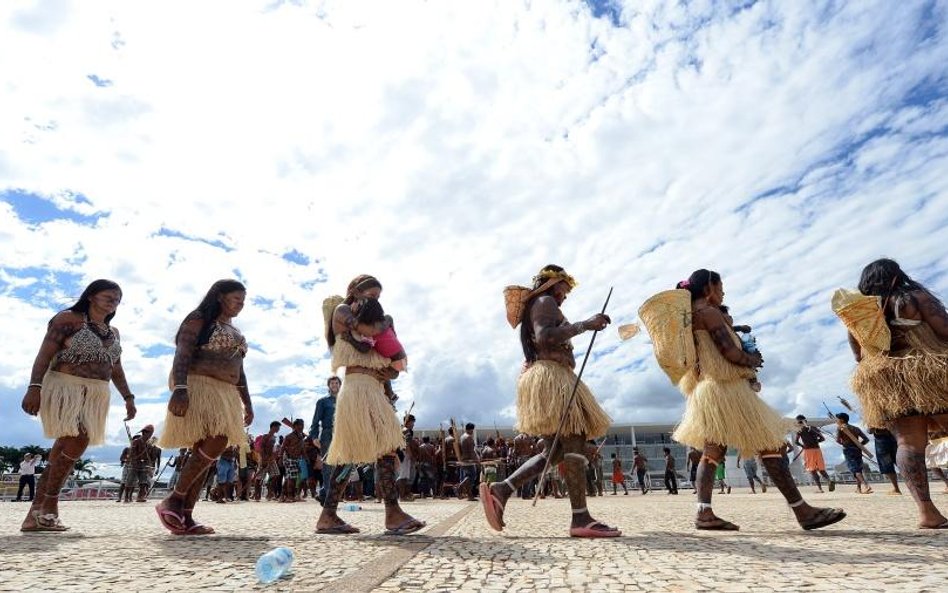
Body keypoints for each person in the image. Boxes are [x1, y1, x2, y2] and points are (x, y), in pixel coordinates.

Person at [669, 269, 845, 531]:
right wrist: (751, 360)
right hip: (727, 389)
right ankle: (802, 511)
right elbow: (727, 350)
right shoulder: (709, 312)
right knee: (770, 443)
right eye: (720, 286)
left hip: (706, 390)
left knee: (711, 453)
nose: (723, 292)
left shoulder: (688, 319)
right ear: (708, 288)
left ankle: (704, 513)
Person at [481, 265, 619, 537]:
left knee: (554, 451)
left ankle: (502, 489)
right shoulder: (544, 302)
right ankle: (580, 518)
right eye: (564, 289)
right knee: (575, 437)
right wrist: (585, 325)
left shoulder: (540, 304)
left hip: (547, 376)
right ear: (554, 283)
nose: (565, 295)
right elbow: (545, 337)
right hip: (552, 376)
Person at [20, 279, 137, 532]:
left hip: (97, 393)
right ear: (91, 296)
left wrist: (128, 397)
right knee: (79, 438)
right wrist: (34, 387)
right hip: (65, 386)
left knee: (64, 447)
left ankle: (35, 514)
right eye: (108, 295)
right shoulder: (67, 319)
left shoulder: (112, 332)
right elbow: (44, 355)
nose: (113, 301)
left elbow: (115, 367)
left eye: (117, 298)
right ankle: (50, 506)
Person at [315, 275, 425, 535]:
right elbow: (368, 335)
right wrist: (386, 323)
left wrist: (388, 372)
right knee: (376, 448)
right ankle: (392, 513)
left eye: (378, 297)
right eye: (371, 295)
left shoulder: (376, 320)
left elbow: (394, 367)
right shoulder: (343, 311)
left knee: (354, 454)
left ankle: (329, 516)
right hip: (356, 388)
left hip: (374, 389)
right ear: (354, 290)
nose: (375, 300)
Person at [846, 259, 948, 528]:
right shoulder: (913, 297)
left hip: (888, 381)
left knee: (908, 443)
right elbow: (945, 329)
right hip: (929, 372)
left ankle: (927, 513)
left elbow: (859, 356)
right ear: (895, 276)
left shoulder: (860, 316)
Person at [155, 279, 254, 535]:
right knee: (216, 441)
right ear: (220, 296)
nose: (240, 306)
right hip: (199, 385)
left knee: (206, 452)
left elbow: (239, 371)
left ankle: (186, 515)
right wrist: (179, 388)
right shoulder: (200, 318)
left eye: (243, 302)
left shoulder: (233, 329)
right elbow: (183, 352)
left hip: (226, 392)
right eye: (236, 300)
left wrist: (248, 403)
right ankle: (174, 499)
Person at [310, 376, 341, 503]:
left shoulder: (345, 401)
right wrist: (314, 436)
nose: (334, 385)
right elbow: (316, 420)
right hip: (327, 433)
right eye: (332, 383)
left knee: (339, 466)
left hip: (342, 434)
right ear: (329, 386)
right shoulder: (323, 401)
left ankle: (323, 492)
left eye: (337, 383)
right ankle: (329, 496)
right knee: (328, 465)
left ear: (340, 385)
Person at [794, 415, 835, 493]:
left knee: (812, 470)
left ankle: (820, 489)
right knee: (821, 468)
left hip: (808, 451)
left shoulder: (800, 430)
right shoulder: (813, 428)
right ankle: (829, 480)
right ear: (805, 421)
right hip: (817, 450)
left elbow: (796, 442)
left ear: (798, 422)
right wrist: (815, 441)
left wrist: (803, 445)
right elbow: (822, 438)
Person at [835, 413, 873, 494]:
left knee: (855, 469)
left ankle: (866, 486)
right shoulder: (856, 428)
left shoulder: (840, 428)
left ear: (841, 420)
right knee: (858, 469)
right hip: (857, 450)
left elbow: (837, 440)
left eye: (837, 419)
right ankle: (858, 489)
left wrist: (844, 444)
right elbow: (866, 439)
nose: (836, 421)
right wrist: (859, 445)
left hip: (848, 450)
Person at [125, 425, 159, 502]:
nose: (150, 435)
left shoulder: (148, 444)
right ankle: (127, 497)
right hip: (135, 463)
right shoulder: (136, 441)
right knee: (130, 480)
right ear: (145, 433)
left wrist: (149, 465)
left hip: (144, 464)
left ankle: (140, 497)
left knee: (143, 482)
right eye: (149, 433)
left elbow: (150, 456)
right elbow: (132, 453)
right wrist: (134, 461)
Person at [868, 427, 902, 495]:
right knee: (900, 462)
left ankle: (896, 488)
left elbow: (870, 431)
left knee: (887, 465)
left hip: (881, 442)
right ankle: (915, 484)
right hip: (893, 439)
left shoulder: (874, 418)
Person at [281, 419, 306, 502]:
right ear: (294, 426)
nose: (301, 427)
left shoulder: (301, 436)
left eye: (302, 425)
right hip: (289, 459)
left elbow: (302, 448)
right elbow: (283, 447)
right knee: (291, 478)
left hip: (297, 459)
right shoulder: (289, 436)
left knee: (293, 478)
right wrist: (281, 458)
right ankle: (289, 496)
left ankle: (284, 496)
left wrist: (306, 457)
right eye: (299, 425)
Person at [397, 414, 419, 501]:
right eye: (413, 422)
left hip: (403, 454)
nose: (413, 424)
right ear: (409, 422)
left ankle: (404, 495)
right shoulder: (406, 431)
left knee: (405, 476)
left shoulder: (402, 429)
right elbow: (407, 444)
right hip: (404, 454)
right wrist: (410, 455)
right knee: (403, 476)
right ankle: (402, 496)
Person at [458, 423, 479, 501]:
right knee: (472, 476)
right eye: (472, 430)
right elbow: (472, 452)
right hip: (468, 460)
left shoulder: (462, 437)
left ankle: (470, 496)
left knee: (468, 476)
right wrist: (477, 461)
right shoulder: (469, 438)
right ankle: (460, 486)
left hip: (463, 459)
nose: (472, 432)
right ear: (470, 429)